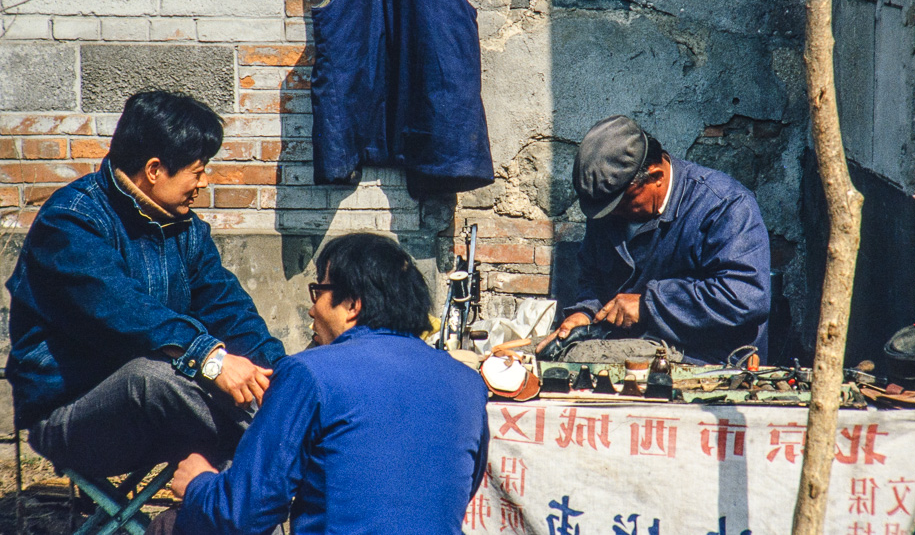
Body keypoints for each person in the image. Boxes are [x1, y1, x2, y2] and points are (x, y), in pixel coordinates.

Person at [4, 91, 286, 478]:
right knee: (151, 378)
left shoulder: (185, 229)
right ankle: (283, 442)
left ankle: (269, 454)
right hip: (72, 419)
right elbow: (124, 312)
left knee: (262, 392)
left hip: (162, 407)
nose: (204, 182)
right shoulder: (70, 223)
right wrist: (211, 359)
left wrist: (281, 377)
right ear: (154, 170)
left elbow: (228, 309)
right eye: (198, 170)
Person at [164, 233, 490, 534]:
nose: (311, 308)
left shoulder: (308, 372)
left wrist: (198, 484)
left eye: (318, 291)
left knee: (169, 525)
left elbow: (248, 510)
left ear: (352, 305)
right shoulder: (468, 385)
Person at [538, 115, 771, 364]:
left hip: (708, 358)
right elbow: (592, 276)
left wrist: (649, 306)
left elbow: (745, 298)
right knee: (540, 354)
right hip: (630, 348)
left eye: (624, 203)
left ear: (656, 176)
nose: (614, 214)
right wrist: (586, 312)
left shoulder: (724, 205)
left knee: (577, 359)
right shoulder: (610, 205)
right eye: (607, 209)